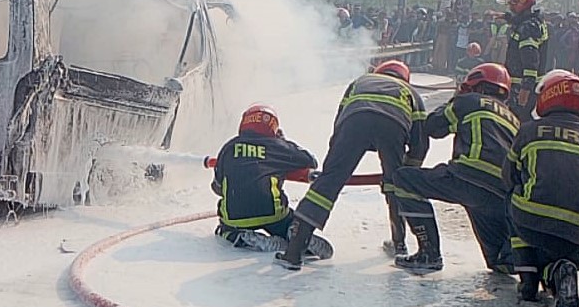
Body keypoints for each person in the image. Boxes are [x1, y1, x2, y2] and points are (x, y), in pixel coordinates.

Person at [275, 59, 428, 270]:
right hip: (393, 126)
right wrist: (406, 173)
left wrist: (335, 163)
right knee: (397, 186)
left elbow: (341, 119)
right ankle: (399, 244)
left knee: (326, 187)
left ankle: (294, 253)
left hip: (355, 122)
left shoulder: (360, 81)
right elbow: (420, 141)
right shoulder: (410, 92)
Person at [504, 69, 579, 307]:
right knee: (561, 261)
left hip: (531, 222)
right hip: (578, 232)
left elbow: (507, 177)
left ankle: (528, 279)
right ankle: (560, 271)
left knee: (511, 199)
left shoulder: (528, 131)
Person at [391, 63, 519, 274]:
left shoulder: (468, 101)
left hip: (468, 177)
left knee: (404, 179)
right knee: (498, 263)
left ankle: (428, 253)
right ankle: (513, 258)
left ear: (474, 85)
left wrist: (455, 98)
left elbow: (433, 126)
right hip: (502, 193)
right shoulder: (514, 119)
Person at [211, 104, 332, 258]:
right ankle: (293, 232)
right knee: (284, 220)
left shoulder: (229, 147)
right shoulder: (277, 146)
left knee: (224, 230)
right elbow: (310, 161)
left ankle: (244, 238)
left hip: (236, 217)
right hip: (273, 214)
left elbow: (217, 187)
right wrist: (283, 142)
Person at [498, 0, 549, 122]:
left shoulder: (528, 28)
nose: (509, 7)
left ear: (521, 4)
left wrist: (526, 88)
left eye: (511, 4)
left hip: (521, 85)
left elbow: (531, 61)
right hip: (523, 83)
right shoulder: (532, 22)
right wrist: (507, 18)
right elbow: (520, 20)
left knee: (518, 119)